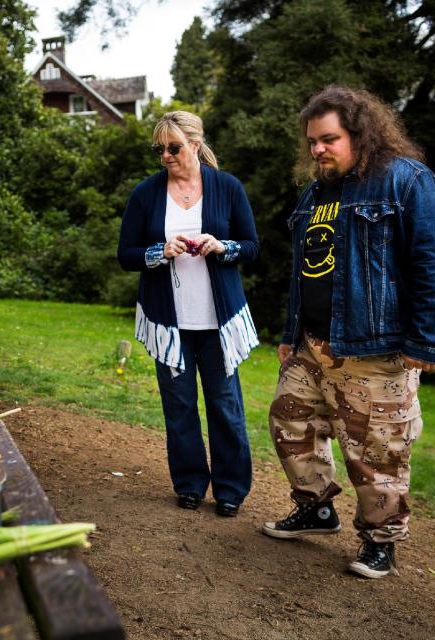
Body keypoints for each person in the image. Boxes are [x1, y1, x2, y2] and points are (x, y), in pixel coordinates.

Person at [263, 86, 435, 579]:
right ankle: (317, 507)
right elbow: (304, 269)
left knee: (377, 452)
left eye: (328, 139)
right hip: (314, 342)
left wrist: (425, 340)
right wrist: (292, 331)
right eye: (312, 141)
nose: (317, 150)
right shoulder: (315, 193)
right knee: (290, 422)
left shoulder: (405, 182)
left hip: (376, 347)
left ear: (361, 134)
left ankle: (380, 541)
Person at [117, 111, 260, 517]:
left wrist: (222, 246)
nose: (165, 155)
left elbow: (251, 246)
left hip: (219, 321)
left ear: (195, 145)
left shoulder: (227, 187)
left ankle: (231, 489)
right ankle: (190, 484)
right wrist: (158, 251)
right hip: (169, 322)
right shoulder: (146, 194)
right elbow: (125, 255)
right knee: (178, 407)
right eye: (159, 149)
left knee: (224, 405)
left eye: (173, 147)